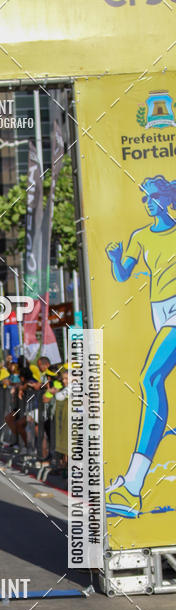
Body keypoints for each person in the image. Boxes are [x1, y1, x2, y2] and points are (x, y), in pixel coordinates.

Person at [105, 174, 176, 517]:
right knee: (154, 380)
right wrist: (116, 259)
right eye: (144, 197)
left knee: (150, 379)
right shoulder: (140, 236)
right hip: (159, 311)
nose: (147, 201)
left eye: (153, 195)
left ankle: (132, 487)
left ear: (167, 197)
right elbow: (122, 276)